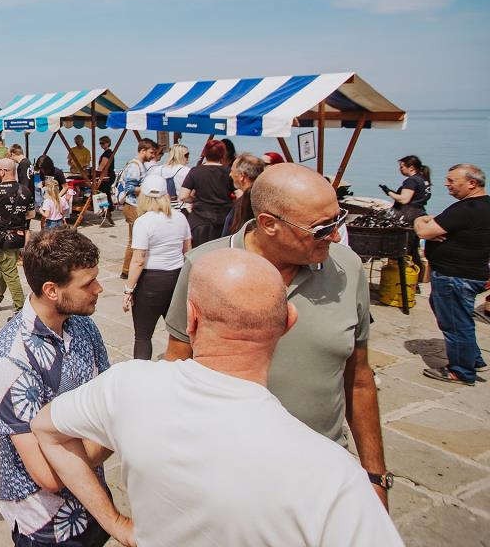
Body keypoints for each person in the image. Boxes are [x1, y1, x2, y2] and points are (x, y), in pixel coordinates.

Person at [32, 249, 404, 547]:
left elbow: (46, 429)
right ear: (288, 321)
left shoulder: (127, 385)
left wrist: (114, 521)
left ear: (191, 319)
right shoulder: (332, 475)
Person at [164, 164, 392, 506]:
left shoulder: (347, 268)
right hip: (224, 474)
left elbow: (359, 379)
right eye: (322, 228)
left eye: (338, 220)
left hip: (320, 474)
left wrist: (375, 477)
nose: (335, 236)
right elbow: (177, 365)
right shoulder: (205, 265)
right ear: (269, 223)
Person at [0, 227, 114, 547]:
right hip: (47, 526)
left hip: (95, 503)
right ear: (51, 290)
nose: (99, 288)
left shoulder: (83, 325)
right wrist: (119, 428)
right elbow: (49, 475)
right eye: (87, 283)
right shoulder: (11, 359)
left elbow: (110, 400)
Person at [413, 164, 490, 385]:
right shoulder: (484, 206)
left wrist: (419, 220)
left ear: (472, 183)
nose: (447, 184)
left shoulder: (466, 208)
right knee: (459, 318)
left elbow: (423, 231)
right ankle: (474, 359)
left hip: (454, 275)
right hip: (471, 272)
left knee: (455, 324)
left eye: (452, 181)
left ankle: (461, 371)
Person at [125, 175, 191, 360]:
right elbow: (188, 250)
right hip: (176, 277)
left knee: (143, 336)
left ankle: (141, 371)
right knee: (181, 332)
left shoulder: (143, 222)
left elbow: (138, 260)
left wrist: (128, 289)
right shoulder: (180, 217)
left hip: (150, 281)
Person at [0, 158, 35, 313]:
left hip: (2, 238)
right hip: (18, 236)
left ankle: (21, 308)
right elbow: (31, 214)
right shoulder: (25, 190)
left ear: (3, 172)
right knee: (7, 269)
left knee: (11, 274)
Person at [179, 139, 234, 247]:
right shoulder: (229, 172)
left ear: (205, 153)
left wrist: (196, 198)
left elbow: (183, 196)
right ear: (222, 154)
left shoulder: (195, 171)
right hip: (224, 221)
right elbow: (240, 194)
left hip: (200, 220)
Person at [117, 139, 159, 278]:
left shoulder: (140, 165)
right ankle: (127, 270)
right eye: (151, 152)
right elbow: (130, 188)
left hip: (135, 206)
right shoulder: (135, 166)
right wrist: (148, 188)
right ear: (142, 150)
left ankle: (128, 269)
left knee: (136, 238)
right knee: (135, 239)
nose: (153, 155)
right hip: (133, 206)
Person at [223, 152, 264, 236]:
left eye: (232, 171)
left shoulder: (248, 201)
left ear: (242, 175)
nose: (230, 174)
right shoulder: (264, 196)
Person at [384, 155, 431, 222]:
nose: (400, 169)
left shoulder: (411, 180)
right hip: (419, 213)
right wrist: (393, 193)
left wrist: (388, 192)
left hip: (406, 214)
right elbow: (417, 197)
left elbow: (404, 200)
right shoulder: (424, 180)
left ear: (411, 168)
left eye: (401, 167)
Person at [149, 143, 191, 211]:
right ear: (180, 155)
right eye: (187, 155)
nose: (188, 157)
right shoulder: (187, 171)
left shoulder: (158, 169)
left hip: (160, 208)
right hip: (181, 209)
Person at [94, 136, 116, 226]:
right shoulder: (108, 152)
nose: (101, 145)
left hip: (107, 176)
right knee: (105, 193)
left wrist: (95, 174)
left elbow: (102, 166)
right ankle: (107, 212)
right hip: (108, 176)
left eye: (103, 143)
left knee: (103, 193)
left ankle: (107, 211)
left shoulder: (107, 153)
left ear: (108, 143)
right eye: (100, 143)